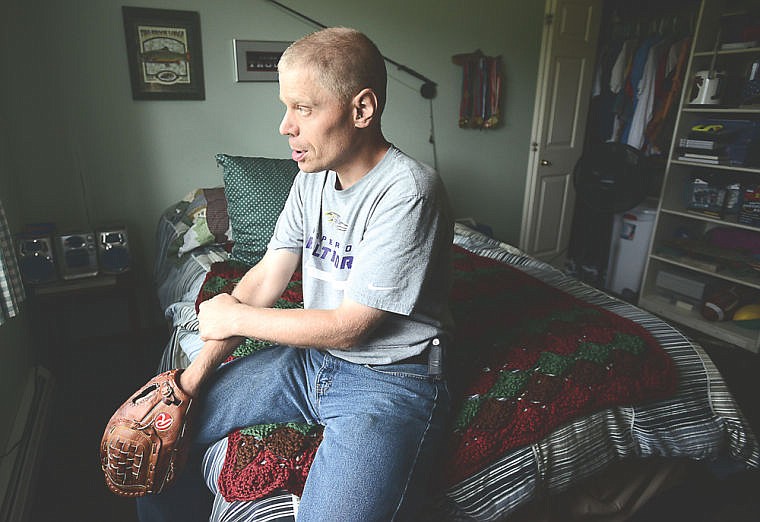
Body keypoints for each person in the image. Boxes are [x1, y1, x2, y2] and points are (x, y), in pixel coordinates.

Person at [137, 26, 453, 522]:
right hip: (310, 364)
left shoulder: (409, 191)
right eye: (286, 108)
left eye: (303, 109)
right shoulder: (311, 178)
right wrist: (194, 376)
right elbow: (266, 278)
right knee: (159, 444)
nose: (286, 127)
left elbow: (352, 328)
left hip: (392, 380)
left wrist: (233, 319)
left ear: (362, 109)